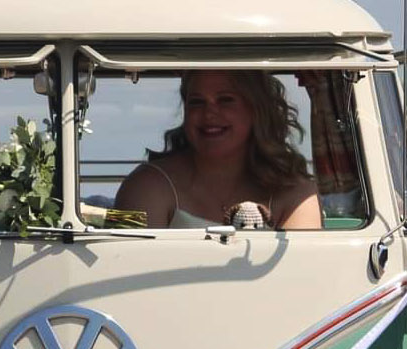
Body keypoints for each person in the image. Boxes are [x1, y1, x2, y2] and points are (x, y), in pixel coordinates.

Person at [113, 70, 322, 230]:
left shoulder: (297, 191)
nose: (209, 113)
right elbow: (118, 264)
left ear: (256, 109)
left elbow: (304, 274)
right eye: (197, 102)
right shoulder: (142, 184)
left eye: (225, 100)